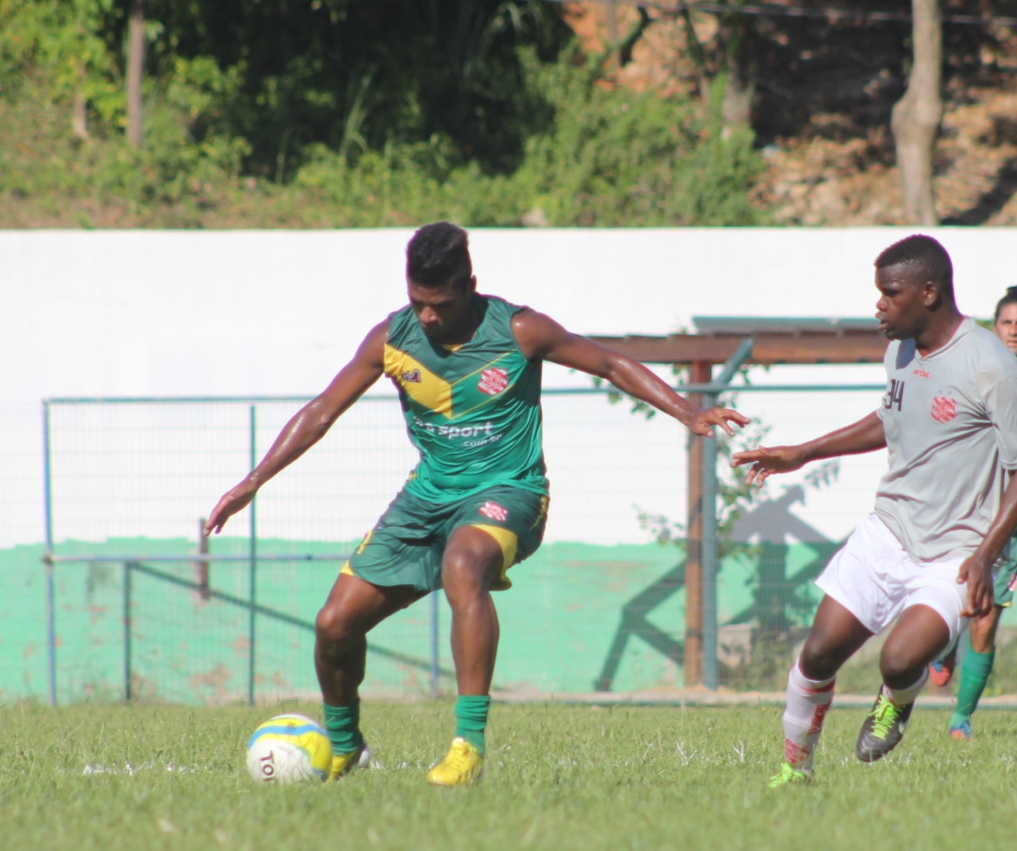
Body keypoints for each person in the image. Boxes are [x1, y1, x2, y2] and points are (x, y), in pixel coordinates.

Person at [205, 222, 748, 787]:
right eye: (418, 302)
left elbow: (610, 364)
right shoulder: (390, 340)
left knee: (463, 565)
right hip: (426, 498)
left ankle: (468, 745)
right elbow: (322, 411)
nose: (428, 317)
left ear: (469, 284)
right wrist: (254, 481)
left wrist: (688, 411)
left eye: (439, 305)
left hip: (510, 492)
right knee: (335, 623)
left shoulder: (520, 330)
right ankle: (345, 748)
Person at [731, 234, 1017, 785]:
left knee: (900, 660)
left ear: (928, 293)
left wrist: (984, 556)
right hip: (890, 531)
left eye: (889, 293)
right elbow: (890, 417)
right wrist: (804, 453)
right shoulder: (899, 349)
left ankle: (896, 702)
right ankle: (795, 772)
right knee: (818, 653)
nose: (879, 305)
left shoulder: (991, 365)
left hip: (956, 551)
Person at [927, 285, 1017, 739]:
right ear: (995, 328)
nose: (1013, 330)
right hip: (960, 517)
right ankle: (943, 645)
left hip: (1009, 528)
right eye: (1006, 322)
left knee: (985, 622)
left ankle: (961, 718)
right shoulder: (973, 378)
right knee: (948, 606)